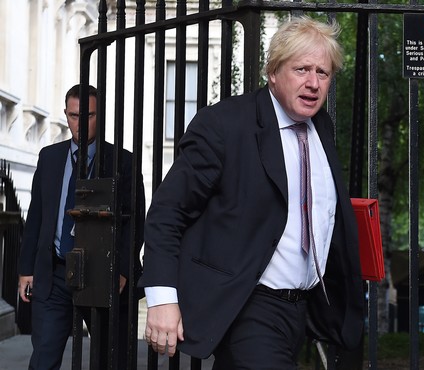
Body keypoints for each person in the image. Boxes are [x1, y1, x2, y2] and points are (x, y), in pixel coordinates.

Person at [140, 16, 365, 369]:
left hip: (302, 310)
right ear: (273, 72)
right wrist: (162, 298)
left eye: (322, 73)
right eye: (301, 69)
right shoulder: (224, 125)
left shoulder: (321, 128)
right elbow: (168, 213)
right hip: (247, 305)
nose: (313, 83)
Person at [17, 84, 145, 369]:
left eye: (88, 115)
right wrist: (26, 269)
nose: (79, 123)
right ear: (66, 115)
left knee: (109, 359)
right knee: (43, 359)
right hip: (55, 274)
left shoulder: (123, 161)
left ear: (100, 116)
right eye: (74, 115)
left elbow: (135, 220)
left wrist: (123, 269)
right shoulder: (49, 158)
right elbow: (37, 215)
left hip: (102, 274)